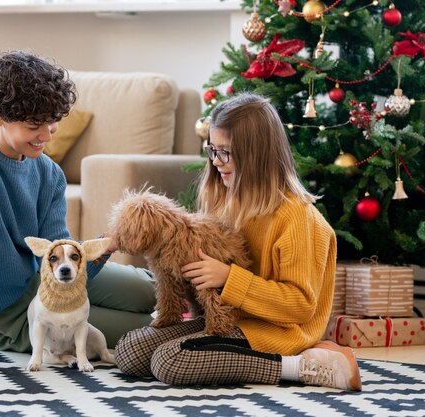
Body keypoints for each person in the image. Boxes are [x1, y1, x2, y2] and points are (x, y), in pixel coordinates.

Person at [0, 50, 155, 376]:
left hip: (52, 284)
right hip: (14, 313)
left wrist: (103, 247)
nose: (45, 135)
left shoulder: (49, 173)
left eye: (52, 124)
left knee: (149, 290)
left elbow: (61, 261)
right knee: (144, 330)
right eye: (33, 125)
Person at [112, 92, 361, 391]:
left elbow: (301, 306)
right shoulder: (222, 199)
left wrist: (229, 278)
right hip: (229, 320)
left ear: (257, 156)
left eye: (226, 152)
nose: (216, 162)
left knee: (171, 362)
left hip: (279, 330)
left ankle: (304, 366)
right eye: (212, 150)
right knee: (130, 352)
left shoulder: (297, 217)